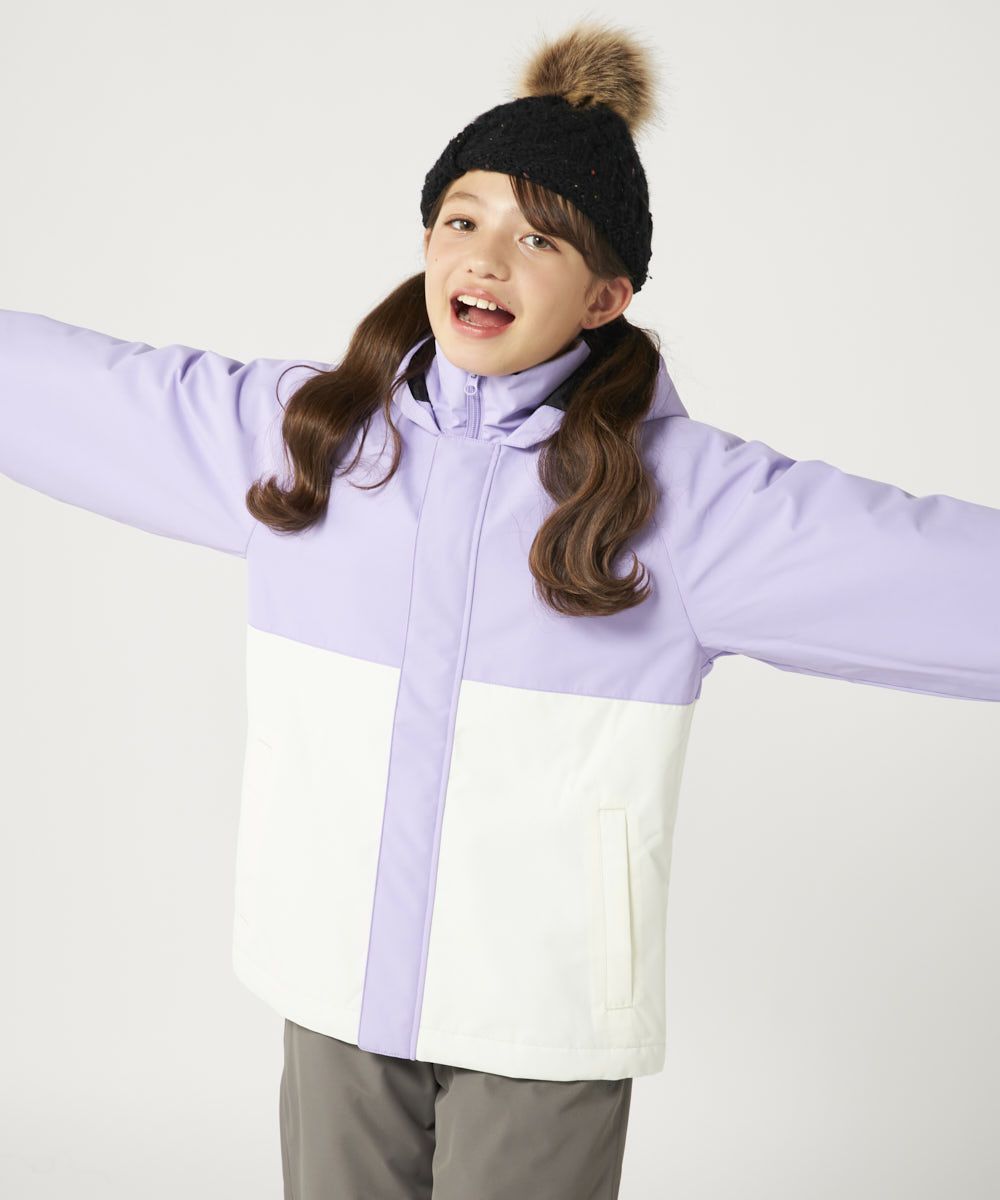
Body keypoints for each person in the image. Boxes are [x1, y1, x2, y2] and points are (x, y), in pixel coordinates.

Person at [2, 19, 998, 1200]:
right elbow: (75, 389)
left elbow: (923, 570)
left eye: (539, 238)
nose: (486, 259)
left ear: (605, 295)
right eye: (462, 220)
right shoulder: (310, 441)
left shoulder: (682, 504)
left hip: (537, 1013)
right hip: (329, 981)